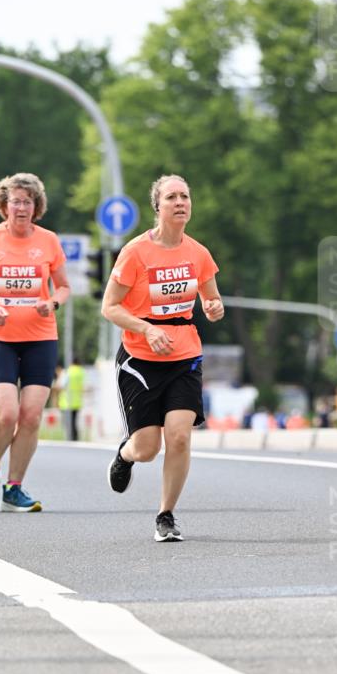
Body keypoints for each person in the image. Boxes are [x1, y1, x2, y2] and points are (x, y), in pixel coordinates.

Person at [101, 173, 224, 542]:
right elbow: (110, 307)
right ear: (158, 206)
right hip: (140, 359)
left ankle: (166, 515)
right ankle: (125, 455)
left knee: (180, 437)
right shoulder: (135, 252)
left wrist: (215, 307)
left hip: (184, 356)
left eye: (185, 196)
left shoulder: (198, 253)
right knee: (148, 448)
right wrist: (148, 329)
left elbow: (211, 298)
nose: (181, 202)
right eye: (172, 197)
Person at [0, 172, 70, 512]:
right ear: (4, 205)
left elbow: (63, 287)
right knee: (6, 413)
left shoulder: (49, 240)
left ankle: (14, 487)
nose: (21, 207)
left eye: (27, 201)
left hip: (40, 337)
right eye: (15, 201)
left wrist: (50, 302)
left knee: (32, 416)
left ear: (36, 207)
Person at [58, 357, 85, 441]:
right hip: (77, 402)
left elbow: (61, 385)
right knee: (74, 423)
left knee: (68, 424)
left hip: (66, 402)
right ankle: (75, 438)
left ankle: (70, 439)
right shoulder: (81, 372)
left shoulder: (67, 372)